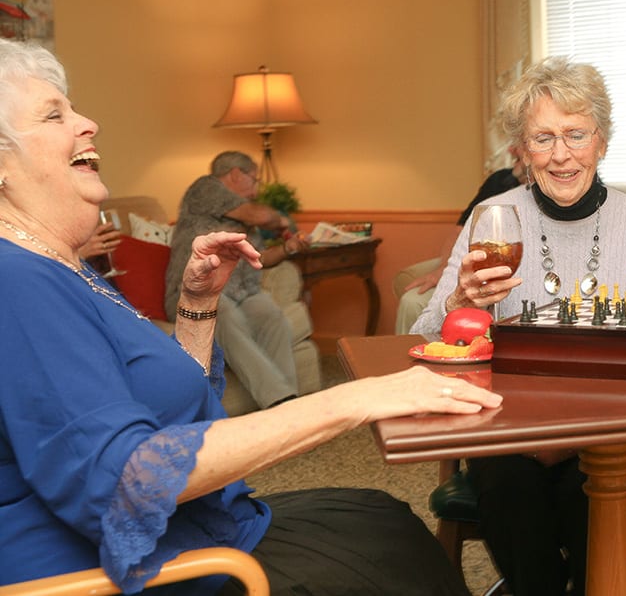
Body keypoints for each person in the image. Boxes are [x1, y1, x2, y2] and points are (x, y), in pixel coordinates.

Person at [0, 38, 503, 594]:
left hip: (206, 531)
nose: (88, 122)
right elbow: (126, 479)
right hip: (144, 572)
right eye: (55, 114)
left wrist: (198, 305)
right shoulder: (18, 279)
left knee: (385, 518)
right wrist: (355, 399)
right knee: (391, 562)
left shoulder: (63, 267)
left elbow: (171, 407)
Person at [412, 56, 626, 596]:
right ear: (523, 149)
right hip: (516, 425)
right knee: (510, 488)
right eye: (543, 138)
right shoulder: (491, 217)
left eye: (575, 134)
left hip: (621, 424)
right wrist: (461, 302)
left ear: (601, 141)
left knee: (590, 492)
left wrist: (576, 437)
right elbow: (425, 335)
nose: (561, 155)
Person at [166, 151, 308, 409]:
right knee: (225, 314)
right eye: (254, 180)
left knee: (271, 316)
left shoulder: (244, 215)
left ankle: (291, 406)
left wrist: (288, 248)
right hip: (196, 292)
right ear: (235, 174)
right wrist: (281, 220)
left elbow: (260, 257)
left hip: (242, 292)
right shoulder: (205, 188)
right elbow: (265, 217)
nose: (256, 189)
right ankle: (280, 400)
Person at [395, 143, 525, 333]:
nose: (510, 150)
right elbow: (460, 232)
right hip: (474, 261)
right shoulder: (497, 183)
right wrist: (443, 270)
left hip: (501, 265)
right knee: (412, 301)